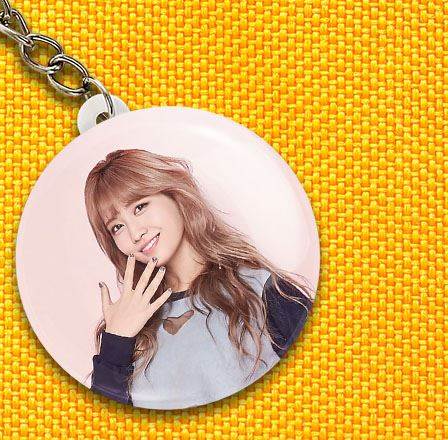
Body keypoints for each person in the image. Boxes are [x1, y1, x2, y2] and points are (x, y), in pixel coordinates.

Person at [84, 148, 312, 408]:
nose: (135, 233)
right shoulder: (123, 327)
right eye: (117, 227)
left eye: (140, 207)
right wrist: (116, 343)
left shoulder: (258, 288)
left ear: (174, 194)